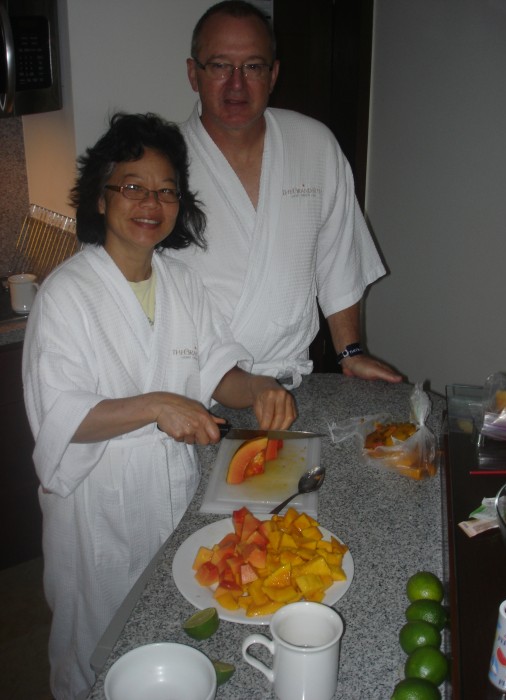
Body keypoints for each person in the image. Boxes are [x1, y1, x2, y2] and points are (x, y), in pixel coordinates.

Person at [22, 112, 296, 700]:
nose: (151, 202)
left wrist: (263, 388)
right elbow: (58, 418)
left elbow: (220, 373)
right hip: (100, 509)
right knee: (96, 648)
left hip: (171, 494)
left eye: (166, 189)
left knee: (173, 635)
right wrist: (155, 406)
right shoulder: (65, 296)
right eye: (133, 186)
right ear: (101, 197)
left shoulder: (180, 283)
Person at [175, 0, 402, 389]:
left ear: (273, 74)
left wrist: (350, 353)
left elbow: (338, 256)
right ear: (193, 73)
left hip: (286, 383)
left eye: (253, 66)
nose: (236, 83)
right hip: (193, 388)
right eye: (219, 65)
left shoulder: (314, 145)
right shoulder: (162, 163)